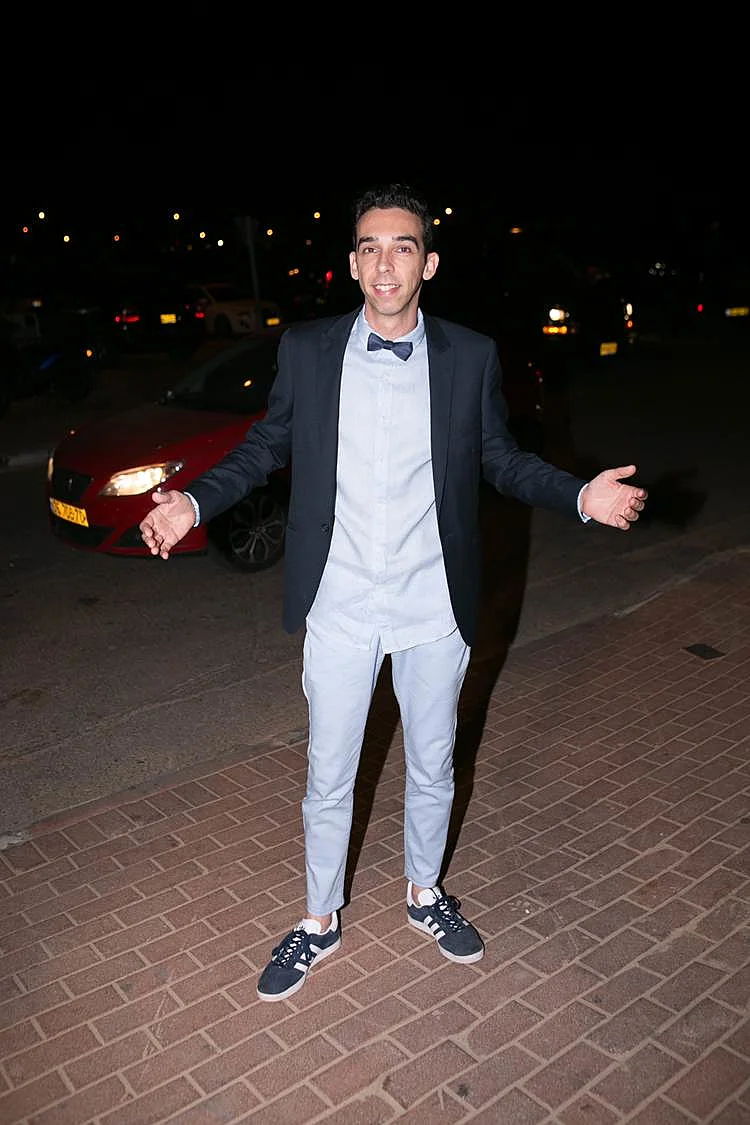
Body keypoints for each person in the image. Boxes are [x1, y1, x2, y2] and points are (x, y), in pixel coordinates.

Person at [139, 183, 648, 1002]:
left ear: (428, 263)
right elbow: (265, 446)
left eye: (402, 246)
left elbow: (500, 458)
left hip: (432, 605)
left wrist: (579, 495)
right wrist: (193, 502)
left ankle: (424, 891)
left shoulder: (469, 356)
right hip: (339, 601)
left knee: (433, 762)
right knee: (328, 774)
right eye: (370, 247)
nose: (385, 263)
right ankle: (318, 920)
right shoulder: (308, 350)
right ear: (351, 264)